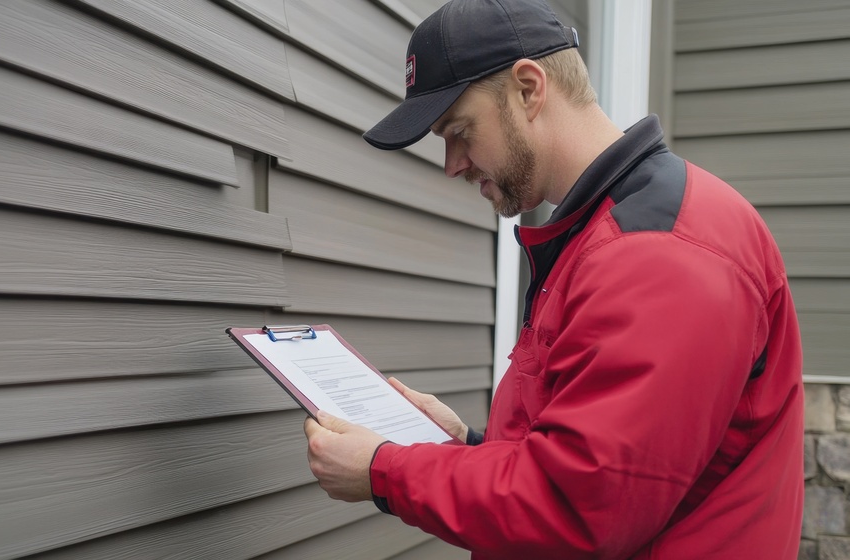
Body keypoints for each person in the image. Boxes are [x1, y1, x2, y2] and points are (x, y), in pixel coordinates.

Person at [301, 0, 805, 558]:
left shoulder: (663, 253)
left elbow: (578, 508)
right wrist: (463, 445)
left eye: (460, 131)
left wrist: (385, 471)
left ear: (528, 89)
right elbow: (593, 458)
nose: (452, 164)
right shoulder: (605, 233)